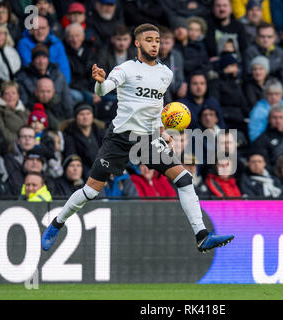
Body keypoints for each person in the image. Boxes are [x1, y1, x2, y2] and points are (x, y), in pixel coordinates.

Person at [41, 23, 234, 253]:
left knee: (184, 178)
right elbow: (103, 91)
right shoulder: (125, 69)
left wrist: (162, 131)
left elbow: (156, 108)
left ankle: (202, 236)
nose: (154, 44)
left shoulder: (166, 74)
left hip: (148, 139)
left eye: (157, 40)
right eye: (149, 40)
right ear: (137, 43)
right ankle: (56, 223)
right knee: (91, 191)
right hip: (120, 138)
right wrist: (101, 81)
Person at [15, 43, 74, 113]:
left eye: (44, 57)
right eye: (38, 58)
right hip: (33, 112)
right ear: (33, 61)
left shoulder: (57, 74)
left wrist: (69, 114)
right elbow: (24, 100)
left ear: (48, 59)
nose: (41, 61)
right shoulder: (23, 76)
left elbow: (66, 97)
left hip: (55, 111)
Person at [17, 15, 71, 83]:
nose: (40, 32)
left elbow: (64, 67)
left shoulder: (56, 43)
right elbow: (29, 67)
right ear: (31, 30)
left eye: (43, 28)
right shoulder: (23, 44)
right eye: (37, 28)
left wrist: (62, 86)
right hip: (35, 84)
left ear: (48, 29)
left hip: (57, 84)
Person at [243, 22, 283, 96]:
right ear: (257, 37)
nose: (265, 40)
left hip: (276, 92)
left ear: (275, 38)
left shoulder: (280, 53)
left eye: (269, 37)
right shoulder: (250, 52)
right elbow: (249, 77)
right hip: (256, 93)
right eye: (262, 36)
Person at [61, 102, 105, 179]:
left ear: (92, 116)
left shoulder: (99, 131)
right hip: (85, 171)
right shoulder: (69, 134)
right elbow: (73, 158)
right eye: (81, 114)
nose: (85, 117)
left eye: (88, 114)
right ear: (76, 117)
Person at [64, 23, 98, 105]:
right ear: (66, 38)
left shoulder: (91, 50)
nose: (75, 39)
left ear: (83, 36)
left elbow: (94, 74)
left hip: (90, 88)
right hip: (75, 88)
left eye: (77, 36)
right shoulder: (64, 52)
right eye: (71, 36)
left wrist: (95, 91)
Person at [0, 81, 30, 146]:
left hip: (29, 143)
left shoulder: (24, 110)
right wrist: (20, 142)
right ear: (2, 96)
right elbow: (3, 131)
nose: (10, 96)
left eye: (13, 93)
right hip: (11, 145)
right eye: (7, 93)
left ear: (18, 96)